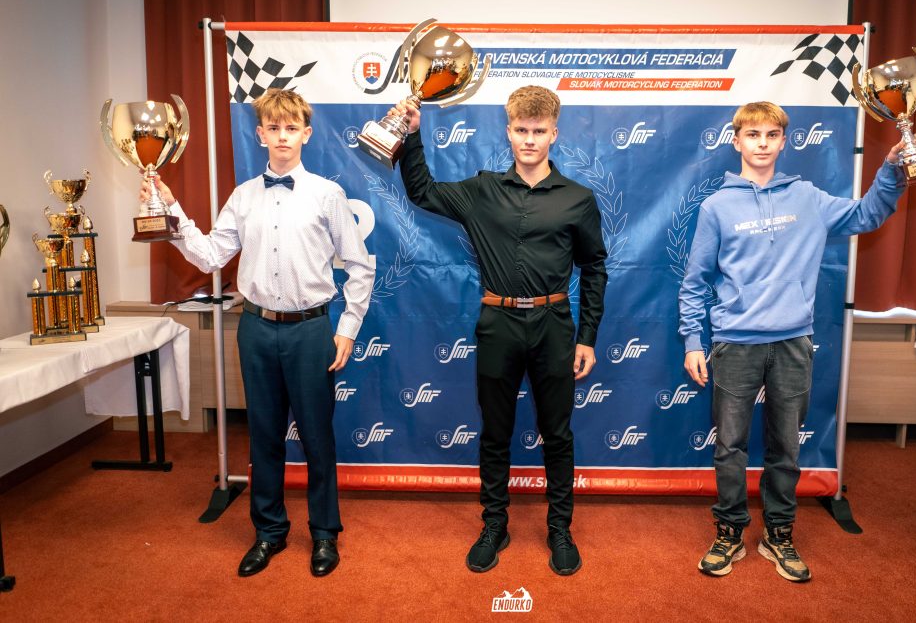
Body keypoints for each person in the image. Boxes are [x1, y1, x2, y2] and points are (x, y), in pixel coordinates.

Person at [678, 101, 916, 582]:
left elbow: (867, 214)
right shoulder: (716, 207)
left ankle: (778, 534)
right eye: (753, 135)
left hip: (793, 341)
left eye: (771, 135)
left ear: (783, 142)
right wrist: (692, 340)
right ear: (737, 141)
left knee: (785, 447)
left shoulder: (808, 197)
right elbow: (695, 281)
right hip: (734, 343)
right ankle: (729, 532)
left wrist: (894, 168)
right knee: (729, 446)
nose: (762, 143)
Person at [142, 88, 374, 578]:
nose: (282, 136)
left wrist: (348, 329)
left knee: (317, 439)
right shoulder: (243, 196)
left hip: (311, 331)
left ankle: (324, 534)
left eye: (291, 128)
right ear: (260, 134)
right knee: (264, 436)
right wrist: (171, 210)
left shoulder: (327, 195)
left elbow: (359, 266)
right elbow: (210, 256)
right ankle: (269, 532)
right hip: (255, 329)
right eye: (274, 127)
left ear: (306, 134)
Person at [391, 86, 608, 576]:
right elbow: (422, 191)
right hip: (498, 324)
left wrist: (587, 337)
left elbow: (595, 268)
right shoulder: (483, 190)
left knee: (557, 434)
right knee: (495, 432)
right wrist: (412, 135)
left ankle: (560, 528)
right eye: (521, 130)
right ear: (508, 131)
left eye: (539, 131)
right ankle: (494, 525)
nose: (529, 139)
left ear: (554, 134)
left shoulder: (578, 199)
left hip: (554, 326)